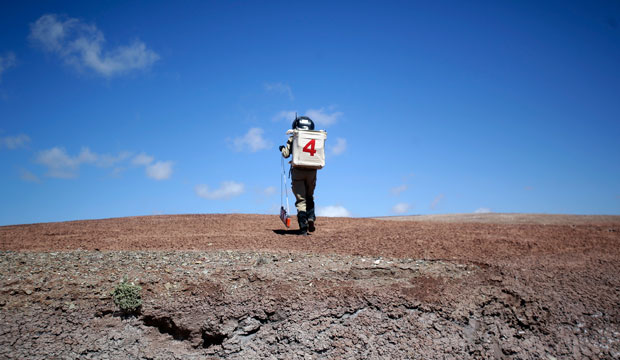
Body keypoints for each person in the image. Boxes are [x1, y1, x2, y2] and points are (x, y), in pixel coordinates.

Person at [279, 116, 317, 236]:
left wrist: (282, 149)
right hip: (312, 171)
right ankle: (311, 217)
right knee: (310, 195)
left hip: (298, 171)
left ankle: (303, 228)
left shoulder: (293, 138)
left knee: (301, 200)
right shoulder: (315, 138)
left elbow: (285, 154)